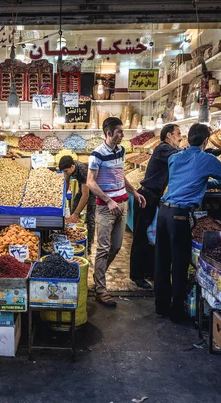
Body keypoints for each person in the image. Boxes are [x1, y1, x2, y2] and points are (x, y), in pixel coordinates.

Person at [154, 123, 221, 321]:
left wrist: (201, 181)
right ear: (206, 140)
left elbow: (182, 180)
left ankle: (161, 306)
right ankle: (176, 311)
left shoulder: (174, 157)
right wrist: (209, 182)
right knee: (180, 263)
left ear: (188, 138)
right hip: (180, 215)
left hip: (163, 212)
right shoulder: (207, 159)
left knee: (162, 261)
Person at [87, 116, 147, 307]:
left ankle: (99, 275)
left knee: (116, 247)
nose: (122, 135)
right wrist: (108, 200)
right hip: (106, 208)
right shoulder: (97, 154)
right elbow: (90, 182)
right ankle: (100, 289)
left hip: (122, 204)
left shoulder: (121, 151)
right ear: (109, 133)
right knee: (103, 248)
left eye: (122, 131)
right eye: (119, 132)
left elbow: (120, 176)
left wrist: (134, 192)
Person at [129, 124, 182, 290]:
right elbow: (181, 157)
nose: (181, 137)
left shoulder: (166, 149)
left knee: (151, 236)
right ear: (168, 136)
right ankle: (137, 276)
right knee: (141, 237)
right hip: (146, 197)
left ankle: (148, 271)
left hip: (154, 196)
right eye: (178, 134)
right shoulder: (163, 148)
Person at [59, 155, 96, 254]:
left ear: (72, 167)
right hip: (83, 188)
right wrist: (63, 196)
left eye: (65, 171)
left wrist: (76, 214)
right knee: (74, 207)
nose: (65, 173)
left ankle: (88, 246)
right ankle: (72, 238)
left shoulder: (83, 171)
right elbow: (67, 181)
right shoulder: (69, 167)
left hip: (93, 190)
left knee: (90, 217)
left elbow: (86, 195)